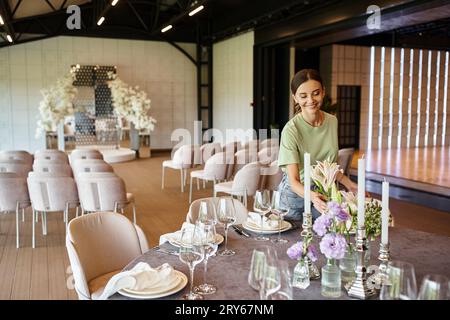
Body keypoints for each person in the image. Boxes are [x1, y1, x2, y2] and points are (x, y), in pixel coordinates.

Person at [277, 69, 358, 221]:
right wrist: (311, 196)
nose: (311, 100)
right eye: (303, 96)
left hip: (323, 189)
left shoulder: (332, 121)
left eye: (316, 93)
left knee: (324, 238)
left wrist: (350, 184)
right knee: (291, 241)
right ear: (295, 98)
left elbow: (327, 167)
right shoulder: (291, 130)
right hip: (295, 195)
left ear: (323, 92)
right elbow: (294, 181)